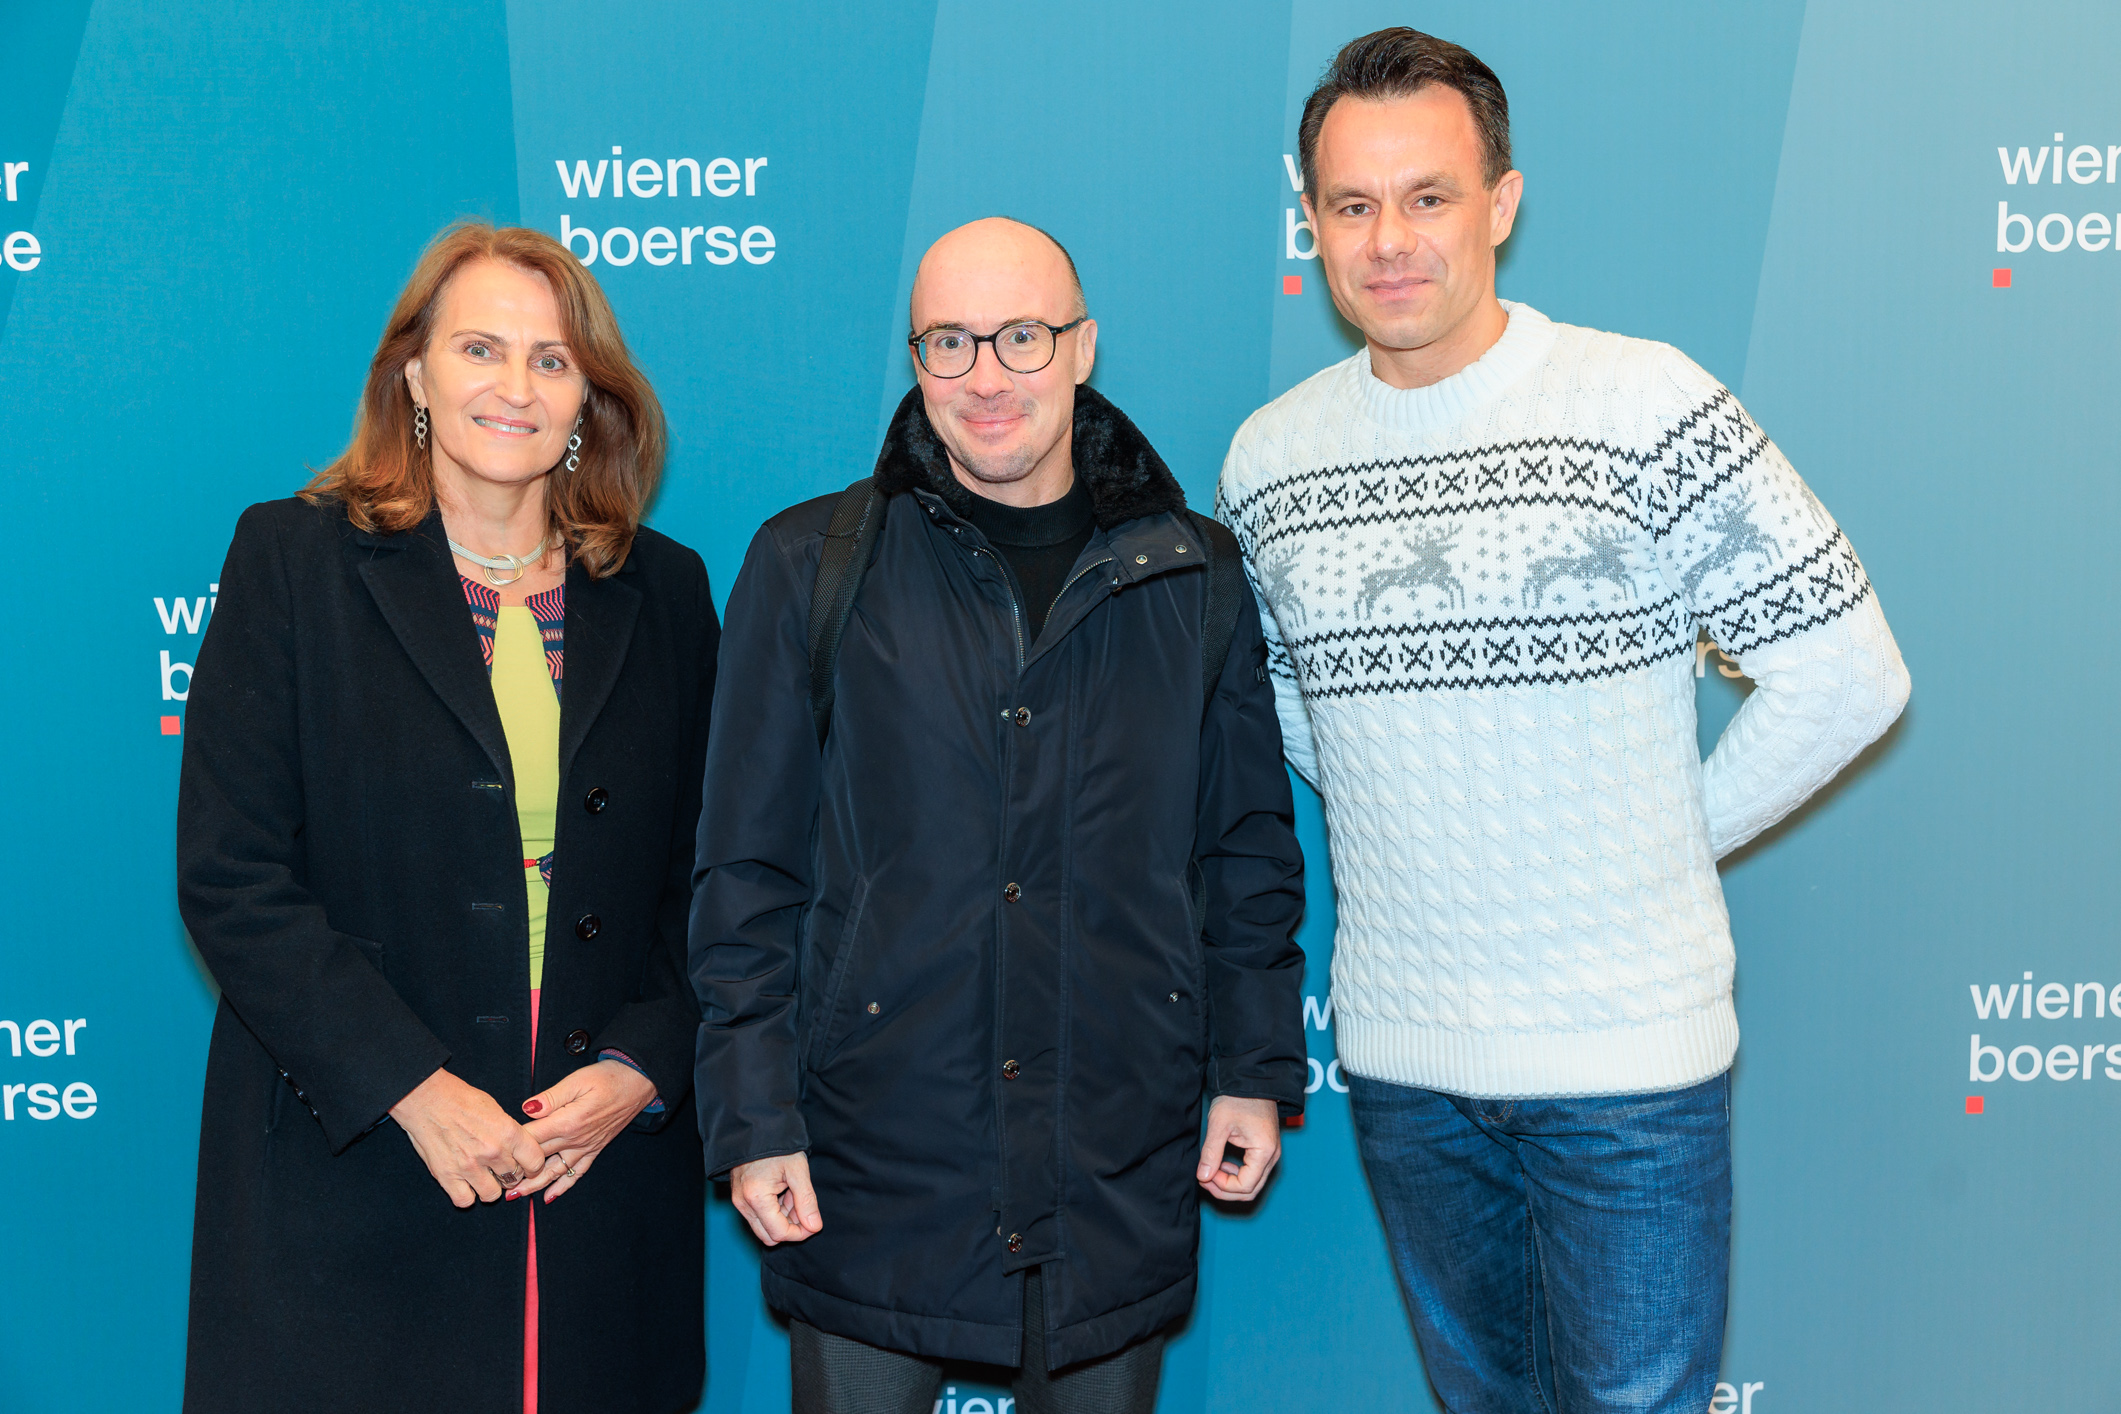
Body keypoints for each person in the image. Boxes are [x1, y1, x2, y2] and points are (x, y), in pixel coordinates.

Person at [1217, 29, 1911, 1414]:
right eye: (1351, 204)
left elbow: (1848, 675)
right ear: (1312, 220)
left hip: (1627, 1068)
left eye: (1428, 196)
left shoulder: (1642, 402)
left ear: (1503, 202)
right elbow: (1294, 713)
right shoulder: (1269, 459)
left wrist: (1653, 844)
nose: (1388, 240)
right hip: (1406, 1063)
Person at [690, 217, 1306, 1414]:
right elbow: (746, 871)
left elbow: (1244, 852)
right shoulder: (811, 563)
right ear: (916, 359)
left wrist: (1252, 1067)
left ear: (1082, 347)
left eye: (1022, 336)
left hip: (1113, 1154)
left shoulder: (1195, 575)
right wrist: (753, 1112)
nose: (986, 376)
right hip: (873, 1160)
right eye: (950, 342)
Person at [177, 222, 717, 1414]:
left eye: (552, 359)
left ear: (589, 399)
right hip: (357, 1176)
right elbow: (232, 873)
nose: (515, 386)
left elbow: (713, 878)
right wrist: (413, 1087)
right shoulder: (293, 561)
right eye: (481, 348)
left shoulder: (666, 590)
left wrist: (640, 1066)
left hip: (596, 1193)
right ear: (415, 374)